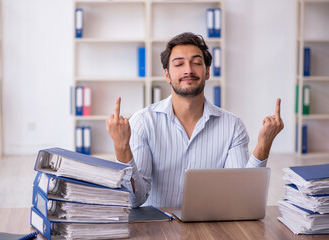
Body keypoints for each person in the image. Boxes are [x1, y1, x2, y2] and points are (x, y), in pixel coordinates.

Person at [106, 32, 284, 208]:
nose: (188, 70)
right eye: (179, 64)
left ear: (207, 72)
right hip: (157, 229)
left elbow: (242, 196)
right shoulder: (143, 122)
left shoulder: (233, 126)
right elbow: (135, 200)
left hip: (211, 227)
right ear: (167, 75)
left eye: (197, 63)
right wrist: (122, 147)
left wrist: (263, 145)